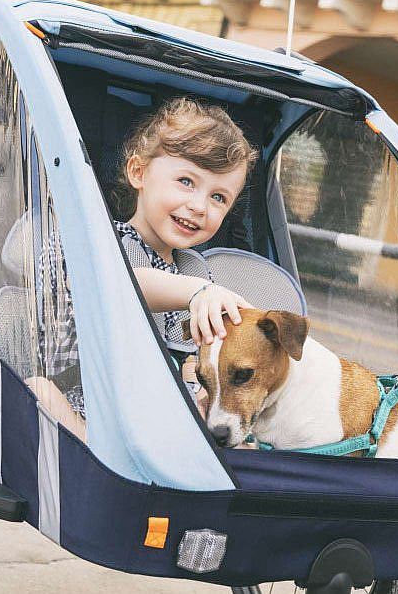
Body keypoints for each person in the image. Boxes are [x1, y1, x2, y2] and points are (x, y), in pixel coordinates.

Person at [30, 96, 259, 438]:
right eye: (186, 182)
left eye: (218, 197)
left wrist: (202, 387)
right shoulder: (97, 246)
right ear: (138, 173)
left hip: (159, 422)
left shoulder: (195, 272)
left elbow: (190, 362)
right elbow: (122, 285)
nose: (199, 206)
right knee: (39, 391)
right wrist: (199, 293)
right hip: (87, 410)